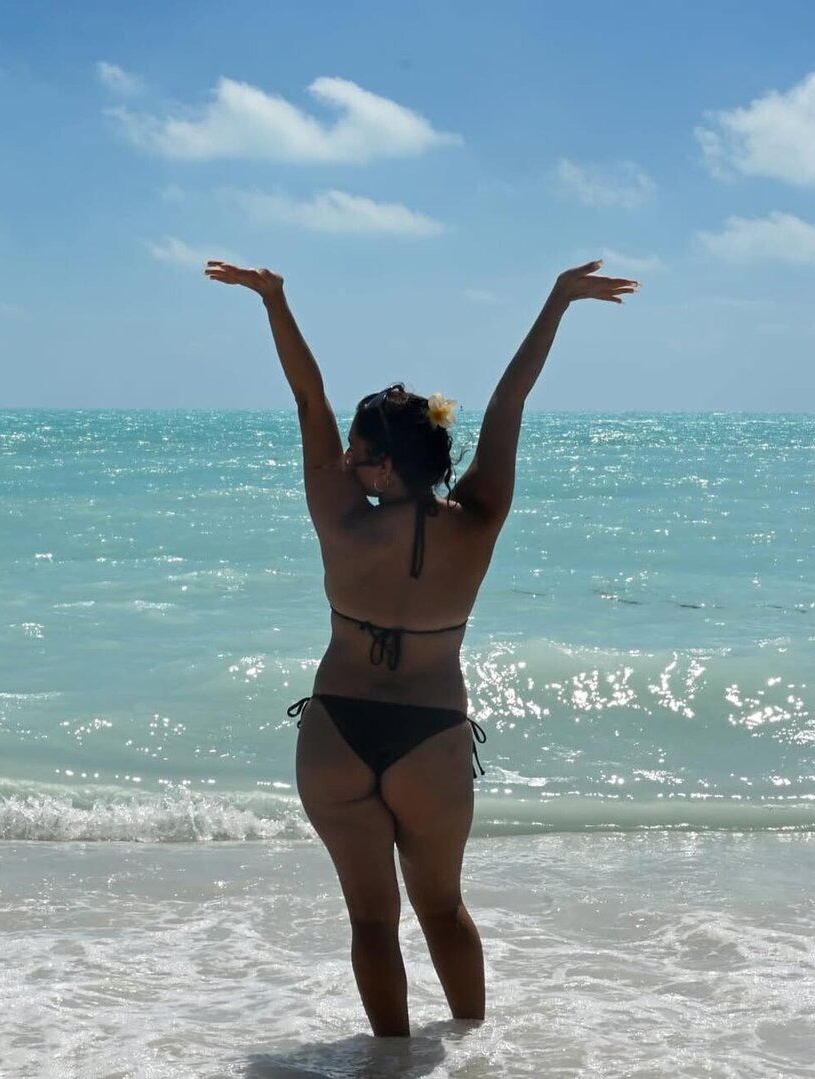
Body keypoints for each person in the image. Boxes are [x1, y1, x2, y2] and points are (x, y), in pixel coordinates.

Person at [205, 258, 638, 1037]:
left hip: (336, 733)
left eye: (358, 450)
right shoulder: (479, 519)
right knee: (442, 907)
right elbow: (509, 402)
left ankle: (392, 1063)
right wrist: (557, 303)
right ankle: (473, 1053)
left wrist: (274, 300)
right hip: (431, 740)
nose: (345, 460)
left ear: (388, 464)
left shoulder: (342, 517)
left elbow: (308, 399)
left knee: (372, 920)